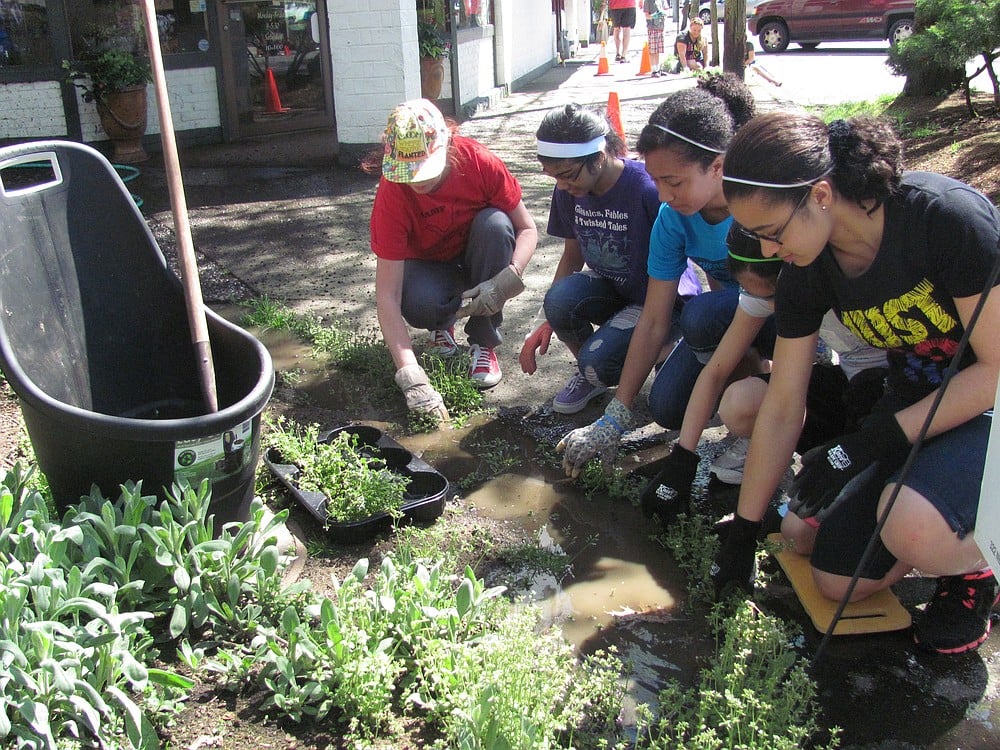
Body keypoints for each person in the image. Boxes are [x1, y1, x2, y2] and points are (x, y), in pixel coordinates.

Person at [715, 111, 1000, 655]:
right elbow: (782, 405)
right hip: (918, 405)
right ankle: (937, 514)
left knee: (912, 522)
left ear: (820, 195)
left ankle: (977, 570)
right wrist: (745, 531)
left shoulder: (945, 222)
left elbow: (995, 372)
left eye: (772, 233)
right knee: (819, 560)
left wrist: (871, 442)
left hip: (990, 408)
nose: (770, 252)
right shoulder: (808, 267)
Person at [556, 74, 770, 478]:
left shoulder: (759, 206)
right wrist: (615, 418)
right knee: (667, 406)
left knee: (701, 315)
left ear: (717, 165)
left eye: (674, 182)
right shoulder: (672, 219)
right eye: (656, 181)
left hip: (779, 313)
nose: (664, 194)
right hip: (732, 317)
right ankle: (750, 389)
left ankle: (762, 414)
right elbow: (653, 319)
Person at [640, 224, 888, 523]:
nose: (767, 306)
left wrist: (748, 522)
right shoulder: (762, 288)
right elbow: (715, 372)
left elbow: (788, 404)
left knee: (805, 527)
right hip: (845, 385)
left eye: (770, 297)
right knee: (740, 402)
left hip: (887, 397)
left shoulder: (820, 285)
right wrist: (682, 460)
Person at [369, 99, 538, 422]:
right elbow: (387, 295)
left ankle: (484, 342)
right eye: (410, 175)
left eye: (425, 171)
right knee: (418, 300)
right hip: (430, 269)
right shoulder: (392, 193)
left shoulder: (478, 162)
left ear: (447, 143)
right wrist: (410, 374)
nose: (418, 182)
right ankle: (440, 326)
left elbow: (527, 229)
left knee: (496, 224)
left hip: (482, 258)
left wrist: (505, 281)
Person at [520, 104, 660, 414]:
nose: (562, 185)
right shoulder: (568, 192)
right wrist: (545, 319)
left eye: (568, 175)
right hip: (614, 291)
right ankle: (592, 375)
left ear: (598, 157)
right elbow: (572, 255)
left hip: (659, 300)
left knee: (605, 365)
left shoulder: (646, 189)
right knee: (557, 300)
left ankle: (664, 346)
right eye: (554, 176)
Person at [643, 0, 669, 76]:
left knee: (658, 50)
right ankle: (653, 70)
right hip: (652, 28)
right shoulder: (648, 1)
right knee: (652, 50)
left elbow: (666, 10)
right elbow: (647, 16)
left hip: (660, 28)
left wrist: (663, 13)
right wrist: (654, 15)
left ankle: (658, 68)